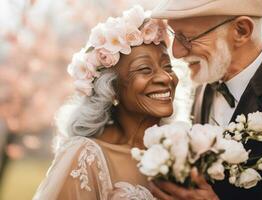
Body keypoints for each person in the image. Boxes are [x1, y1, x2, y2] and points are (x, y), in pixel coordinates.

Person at [150, 0, 262, 200]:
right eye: (174, 34)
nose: (176, 52)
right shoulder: (208, 79)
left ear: (241, 30)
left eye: (186, 38)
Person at [33, 5, 178, 200]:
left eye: (167, 66)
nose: (166, 78)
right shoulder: (84, 156)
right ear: (111, 90)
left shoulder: (182, 150)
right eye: (144, 69)